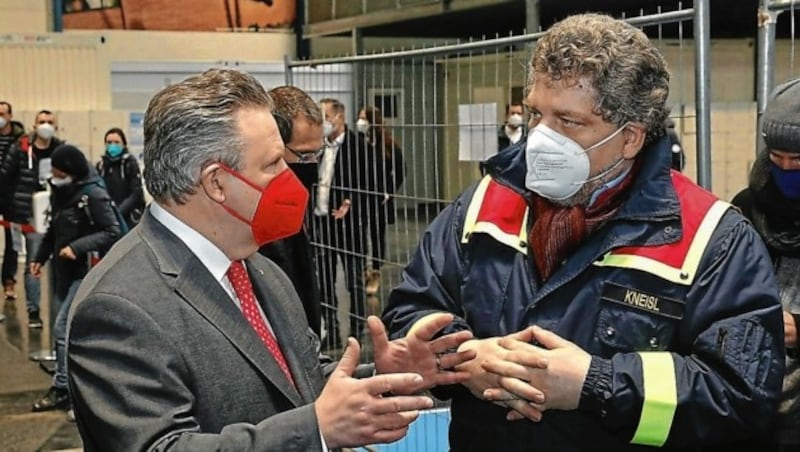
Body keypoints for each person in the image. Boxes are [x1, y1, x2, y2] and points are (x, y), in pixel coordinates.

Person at [382, 13, 785, 451]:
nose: (539, 137)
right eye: (537, 113)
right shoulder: (485, 202)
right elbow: (412, 307)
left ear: (630, 137)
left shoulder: (710, 238)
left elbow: (741, 398)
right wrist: (462, 359)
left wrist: (596, 385)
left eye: (568, 122)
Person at [66, 68, 476, 451]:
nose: (291, 176)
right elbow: (160, 445)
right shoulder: (119, 306)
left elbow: (298, 379)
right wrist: (315, 430)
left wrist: (383, 379)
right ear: (216, 182)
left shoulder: (259, 269)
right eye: (273, 164)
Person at [731, 77, 800, 452]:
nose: (786, 170)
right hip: (753, 398)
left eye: (798, 160)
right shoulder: (746, 206)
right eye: (777, 158)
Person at [30, 144, 121, 413]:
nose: (55, 176)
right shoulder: (62, 192)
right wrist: (39, 257)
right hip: (64, 272)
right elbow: (53, 230)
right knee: (68, 332)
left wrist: (77, 247)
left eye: (59, 171)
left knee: (62, 329)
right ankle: (73, 386)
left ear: (70, 171)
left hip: (86, 271)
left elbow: (112, 231)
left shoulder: (93, 195)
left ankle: (64, 388)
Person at [258, 85, 323, 335]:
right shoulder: (255, 213)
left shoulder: (291, 202)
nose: (312, 165)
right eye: (305, 156)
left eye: (318, 154)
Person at [314, 98, 371, 349]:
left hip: (349, 226)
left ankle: (357, 331)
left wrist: (351, 201)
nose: (322, 122)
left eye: (325, 116)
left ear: (339, 117)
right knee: (325, 280)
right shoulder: (317, 147)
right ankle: (333, 331)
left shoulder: (359, 147)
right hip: (322, 222)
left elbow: (370, 182)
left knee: (353, 281)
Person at [0, 109, 64, 328]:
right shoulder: (20, 149)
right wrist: (8, 210)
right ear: (34, 125)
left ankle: (61, 310)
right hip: (26, 215)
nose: (45, 125)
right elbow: (5, 180)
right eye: (42, 121)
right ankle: (33, 310)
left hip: (55, 216)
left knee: (58, 265)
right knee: (32, 263)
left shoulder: (61, 150)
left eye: (49, 121)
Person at [357, 106, 406, 297]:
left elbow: (401, 169)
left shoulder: (387, 144)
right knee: (359, 235)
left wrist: (389, 192)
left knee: (377, 236)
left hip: (380, 198)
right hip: (360, 196)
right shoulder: (359, 142)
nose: (360, 122)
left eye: (364, 118)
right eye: (359, 118)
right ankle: (363, 270)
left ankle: (375, 272)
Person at [96, 127, 146, 230]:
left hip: (128, 218)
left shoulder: (129, 163)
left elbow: (136, 193)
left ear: (123, 144)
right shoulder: (101, 166)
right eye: (109, 142)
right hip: (108, 218)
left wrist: (119, 212)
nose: (112, 146)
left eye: (116, 142)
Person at [0, 101, 25, 301]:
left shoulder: (20, 140)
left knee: (12, 243)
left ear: (10, 115)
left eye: (2, 113)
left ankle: (9, 282)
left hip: (10, 198)